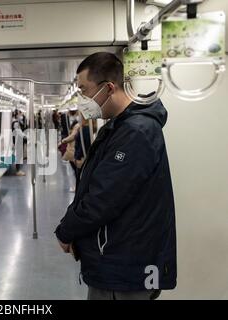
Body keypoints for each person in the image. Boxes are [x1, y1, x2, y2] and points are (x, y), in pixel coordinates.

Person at [54, 52, 176, 300]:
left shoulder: (135, 132)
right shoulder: (117, 127)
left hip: (126, 266)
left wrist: (66, 230)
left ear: (109, 88)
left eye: (84, 90)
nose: (83, 98)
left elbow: (103, 198)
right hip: (117, 259)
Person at [59, 120, 80, 192]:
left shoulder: (77, 126)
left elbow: (72, 136)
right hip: (73, 149)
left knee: (77, 171)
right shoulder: (79, 125)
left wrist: (63, 141)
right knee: (76, 170)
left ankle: (78, 187)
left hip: (73, 150)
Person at [11, 110, 26, 176]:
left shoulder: (17, 122)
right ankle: (18, 171)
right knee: (18, 155)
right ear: (17, 115)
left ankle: (18, 169)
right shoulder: (15, 123)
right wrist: (25, 136)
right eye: (20, 114)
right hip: (18, 140)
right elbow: (19, 132)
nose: (21, 116)